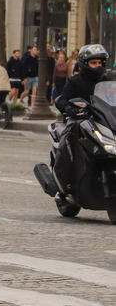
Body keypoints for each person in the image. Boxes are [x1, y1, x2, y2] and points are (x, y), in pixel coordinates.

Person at [53, 44, 109, 206]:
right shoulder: (75, 81)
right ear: (85, 64)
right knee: (70, 137)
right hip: (80, 121)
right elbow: (62, 99)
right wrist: (69, 108)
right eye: (94, 63)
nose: (98, 66)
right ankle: (65, 183)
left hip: (102, 121)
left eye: (100, 63)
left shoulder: (107, 82)